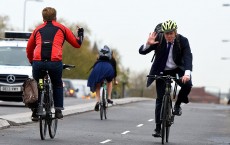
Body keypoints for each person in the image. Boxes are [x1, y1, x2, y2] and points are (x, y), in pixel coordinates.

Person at [26, 7, 84, 121]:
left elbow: (29, 48)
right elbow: (77, 44)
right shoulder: (62, 28)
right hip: (55, 62)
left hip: (38, 62)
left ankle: (35, 110)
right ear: (55, 17)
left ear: (43, 18)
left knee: (37, 84)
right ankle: (58, 110)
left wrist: (32, 61)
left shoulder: (37, 30)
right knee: (57, 83)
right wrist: (81, 33)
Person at [139, 20, 193, 137]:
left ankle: (177, 105)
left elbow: (188, 57)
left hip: (178, 70)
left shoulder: (183, 41)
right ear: (163, 33)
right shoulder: (159, 39)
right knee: (159, 99)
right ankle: (158, 128)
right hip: (161, 70)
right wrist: (148, 44)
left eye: (171, 33)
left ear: (175, 32)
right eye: (166, 33)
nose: (168, 36)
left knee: (187, 85)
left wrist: (187, 74)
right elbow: (142, 52)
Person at [87, 45, 118, 111]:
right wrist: (115, 80)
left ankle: (97, 101)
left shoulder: (98, 59)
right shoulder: (112, 60)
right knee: (109, 81)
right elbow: (115, 71)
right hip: (108, 70)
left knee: (97, 85)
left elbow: (94, 68)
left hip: (98, 69)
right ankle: (109, 97)